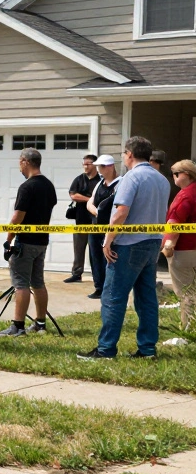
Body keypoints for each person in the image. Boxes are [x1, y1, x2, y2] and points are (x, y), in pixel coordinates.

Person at [80, 136, 169, 360]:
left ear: (129, 154)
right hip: (152, 243)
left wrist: (108, 240)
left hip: (128, 244)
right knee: (147, 299)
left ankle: (106, 349)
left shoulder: (131, 178)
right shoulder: (162, 180)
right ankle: (147, 349)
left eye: (123, 154)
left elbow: (120, 212)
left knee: (112, 297)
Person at [0, 148, 59, 337]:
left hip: (25, 242)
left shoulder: (27, 187)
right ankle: (40, 323)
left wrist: (8, 240)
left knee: (21, 284)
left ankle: (18, 326)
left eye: (20, 162)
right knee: (38, 282)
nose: (19, 167)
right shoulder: (48, 185)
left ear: (25, 161)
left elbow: (17, 217)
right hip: (41, 241)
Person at [162, 158, 196, 331]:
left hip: (184, 251)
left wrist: (168, 246)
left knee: (186, 292)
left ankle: (189, 328)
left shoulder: (185, 196)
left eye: (176, 173)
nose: (174, 177)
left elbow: (174, 225)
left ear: (187, 175)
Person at [85, 155, 120, 300]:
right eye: (99, 166)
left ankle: (109, 287)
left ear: (111, 167)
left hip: (109, 228)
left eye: (103, 166)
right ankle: (98, 287)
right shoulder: (99, 183)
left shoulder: (120, 183)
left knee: (109, 258)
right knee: (95, 257)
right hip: (95, 227)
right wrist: (97, 212)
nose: (100, 169)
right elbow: (90, 202)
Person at [66, 154, 100, 283]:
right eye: (84, 164)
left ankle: (97, 276)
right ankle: (76, 274)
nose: (85, 166)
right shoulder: (79, 179)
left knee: (95, 251)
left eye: (88, 164)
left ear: (95, 164)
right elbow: (73, 195)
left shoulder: (100, 180)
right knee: (78, 249)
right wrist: (90, 200)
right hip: (80, 220)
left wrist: (88, 200)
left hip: (96, 221)